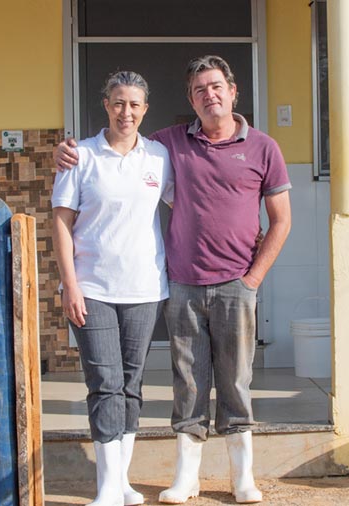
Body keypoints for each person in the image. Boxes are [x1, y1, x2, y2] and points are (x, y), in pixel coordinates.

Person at [56, 55, 291, 505]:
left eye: (217, 86)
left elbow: (282, 220)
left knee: (236, 380)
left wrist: (254, 278)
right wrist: (62, 152)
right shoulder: (168, 145)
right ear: (190, 99)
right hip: (181, 283)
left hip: (235, 284)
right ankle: (187, 478)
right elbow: (115, 147)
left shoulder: (262, 147)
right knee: (187, 380)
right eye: (200, 89)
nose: (210, 95)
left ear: (233, 91)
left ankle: (242, 477)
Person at [52, 70, 172, 506]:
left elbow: (191, 200)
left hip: (144, 287)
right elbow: (61, 224)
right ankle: (105, 488)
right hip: (93, 287)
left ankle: (122, 480)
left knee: (132, 384)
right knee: (104, 382)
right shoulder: (80, 156)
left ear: (145, 109)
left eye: (135, 104)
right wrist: (70, 285)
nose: (127, 112)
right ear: (106, 104)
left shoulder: (159, 157)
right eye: (119, 102)